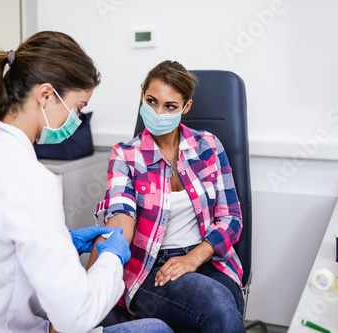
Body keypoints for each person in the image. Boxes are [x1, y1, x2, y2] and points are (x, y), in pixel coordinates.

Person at [0, 31, 173, 333]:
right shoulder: (28, 178)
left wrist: (62, 243)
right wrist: (112, 258)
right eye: (77, 108)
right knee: (156, 330)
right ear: (46, 95)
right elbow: (76, 317)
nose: (76, 119)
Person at [87, 60, 246, 332]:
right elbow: (120, 216)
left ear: (186, 107)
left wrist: (194, 257)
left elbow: (231, 217)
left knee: (229, 301)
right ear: (141, 95)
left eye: (170, 106)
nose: (158, 112)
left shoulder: (209, 145)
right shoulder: (125, 155)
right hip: (151, 268)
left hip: (207, 258)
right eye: (151, 101)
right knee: (218, 304)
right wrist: (90, 284)